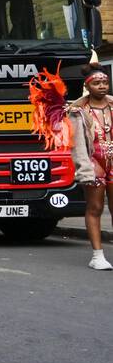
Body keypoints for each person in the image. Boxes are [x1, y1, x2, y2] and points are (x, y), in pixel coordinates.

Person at [71, 66, 113, 270]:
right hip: (94, 164)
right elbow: (77, 144)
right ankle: (97, 255)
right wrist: (84, 169)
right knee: (95, 207)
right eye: (97, 83)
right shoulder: (78, 111)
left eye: (105, 82)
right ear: (87, 85)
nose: (102, 86)